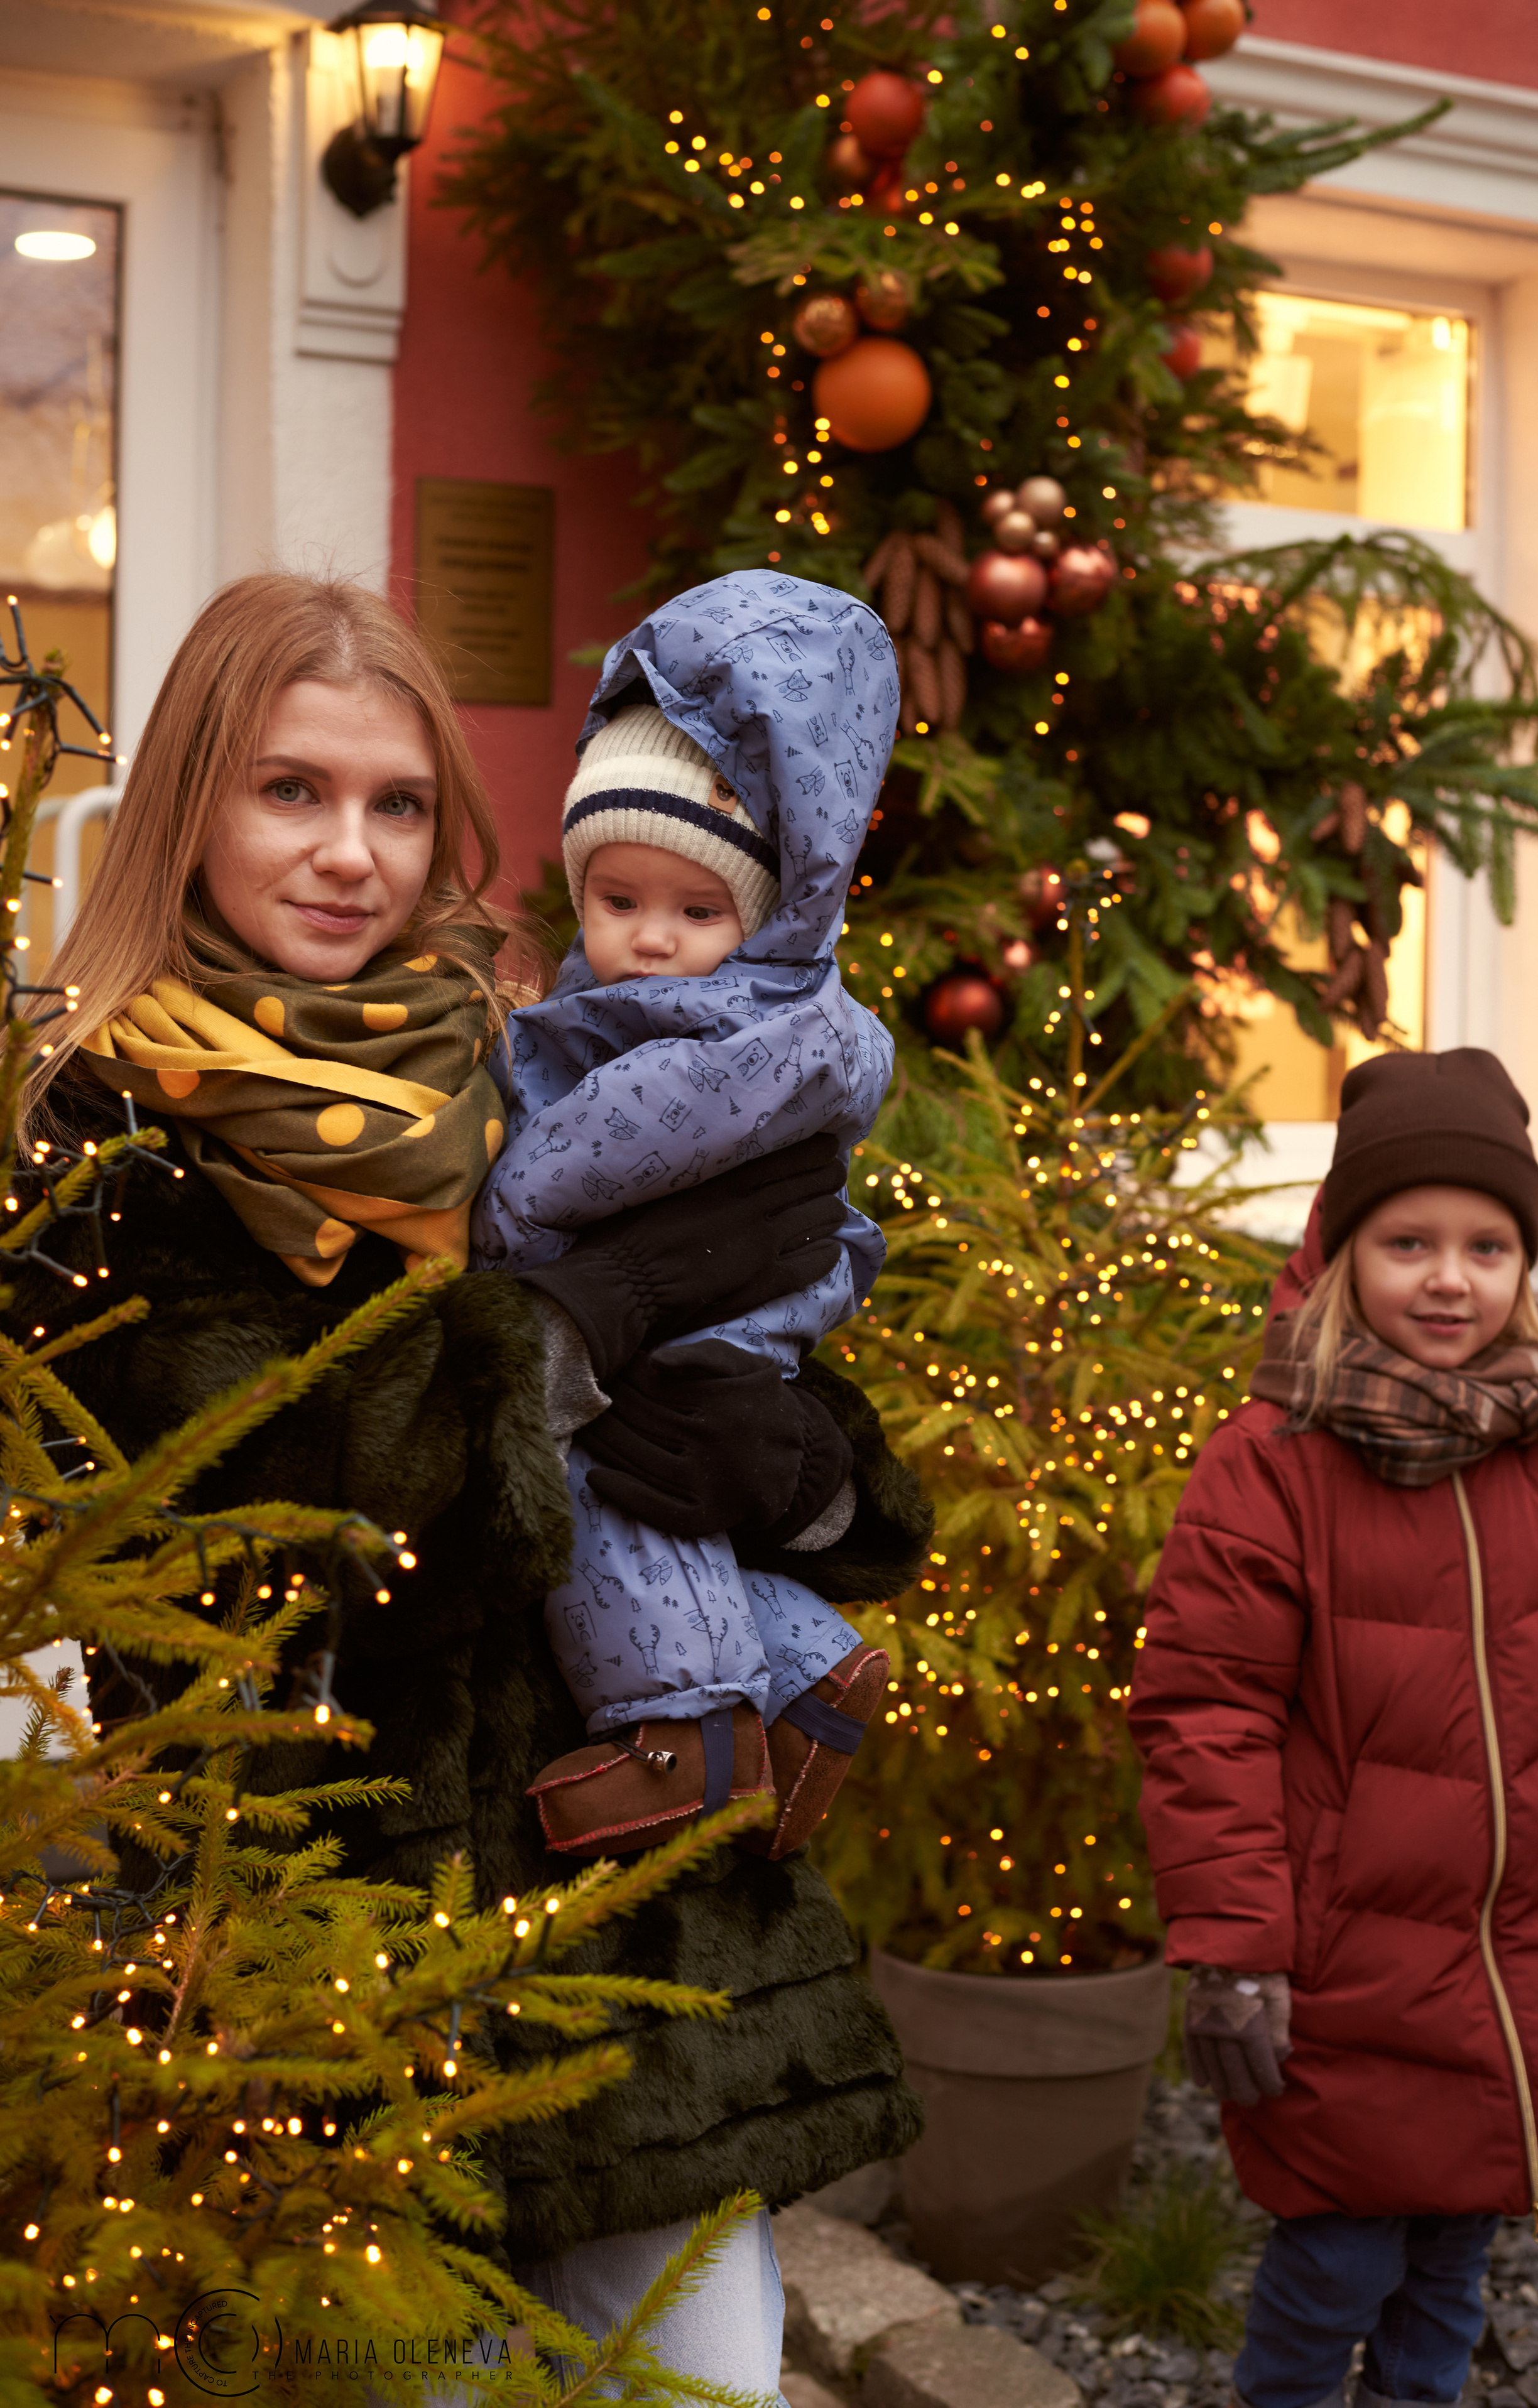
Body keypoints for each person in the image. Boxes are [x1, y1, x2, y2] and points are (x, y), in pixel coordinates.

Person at [11, 571, 927, 2400]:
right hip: (324, 1967)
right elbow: (307, 1535)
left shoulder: (532, 1073)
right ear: (188, 799)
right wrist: (576, 1323)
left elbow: (830, 1464)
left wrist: (807, 1474)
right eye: (291, 789)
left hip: (628, 1945)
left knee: (710, 2386)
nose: (351, 852)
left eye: (398, 801)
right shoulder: (103, 1152)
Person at [1128, 1047, 1538, 2408]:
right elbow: (1203, 1713)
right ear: (1342, 1251)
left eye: (1484, 1245)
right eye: (1407, 1242)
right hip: (1340, 1965)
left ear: (1523, 1261)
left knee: (1453, 2264)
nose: (1447, 1278)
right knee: (1334, 2265)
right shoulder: (1272, 1461)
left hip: (1521, 1956)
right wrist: (1231, 1947)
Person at [472, 573, 899, 1860]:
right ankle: (801, 1672)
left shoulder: (734, 1034)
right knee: (668, 1485)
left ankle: (682, 1728)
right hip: (729, 1324)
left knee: (613, 1486)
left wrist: (509, 1215)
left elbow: (603, 1150)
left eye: (696, 910)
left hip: (724, 1334)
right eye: (616, 902)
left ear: (769, 909)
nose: (649, 941)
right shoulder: (733, 1007)